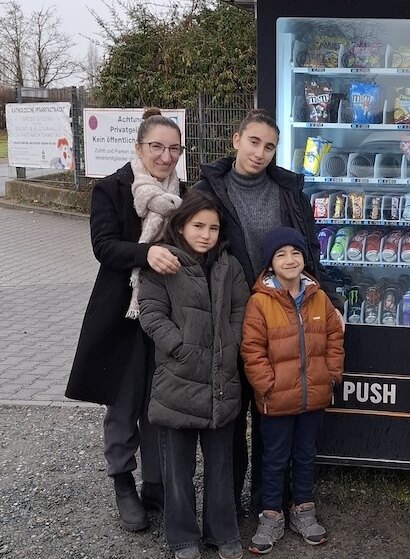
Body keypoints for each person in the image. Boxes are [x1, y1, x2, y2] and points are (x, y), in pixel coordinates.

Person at [194, 109, 341, 515]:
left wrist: (328, 298)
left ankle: (267, 505)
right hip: (228, 315)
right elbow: (192, 246)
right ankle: (225, 511)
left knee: (271, 414)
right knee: (228, 416)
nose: (260, 152)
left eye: (270, 146)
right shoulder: (208, 189)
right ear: (236, 140)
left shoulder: (288, 191)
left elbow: (307, 250)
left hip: (279, 314)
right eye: (254, 141)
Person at [66, 108, 185, 531]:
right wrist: (146, 253)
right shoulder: (112, 189)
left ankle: (156, 484)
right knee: (123, 403)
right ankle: (123, 483)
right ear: (138, 147)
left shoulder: (183, 194)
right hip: (122, 312)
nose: (166, 156)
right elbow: (104, 247)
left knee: (159, 403)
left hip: (168, 314)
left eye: (174, 148)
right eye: (157, 147)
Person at [138, 190, 250, 559]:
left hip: (220, 378)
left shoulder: (228, 265)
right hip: (178, 379)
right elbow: (151, 311)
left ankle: (221, 531)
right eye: (198, 226)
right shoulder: (165, 263)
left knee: (221, 465)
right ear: (182, 225)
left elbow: (240, 308)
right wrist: (178, 346)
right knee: (177, 469)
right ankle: (183, 537)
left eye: (213, 228)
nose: (206, 234)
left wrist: (230, 346)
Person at [240, 226, 344, 553]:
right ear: (270, 263)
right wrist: (266, 386)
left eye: (296, 253)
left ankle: (304, 509)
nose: (290, 259)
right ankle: (271, 516)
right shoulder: (260, 302)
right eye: (281, 254)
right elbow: (252, 349)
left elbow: (334, 338)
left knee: (304, 456)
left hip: (313, 395)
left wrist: (331, 375)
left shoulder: (319, 297)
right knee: (273, 459)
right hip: (276, 400)